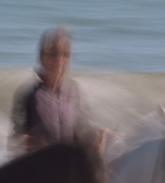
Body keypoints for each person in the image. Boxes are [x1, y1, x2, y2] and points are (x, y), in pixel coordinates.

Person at [9, 26, 105, 154]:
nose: (59, 60)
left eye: (65, 54)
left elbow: (82, 128)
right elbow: (14, 142)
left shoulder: (74, 90)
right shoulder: (28, 94)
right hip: (38, 164)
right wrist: (31, 141)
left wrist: (97, 135)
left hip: (69, 164)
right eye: (53, 54)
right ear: (42, 56)